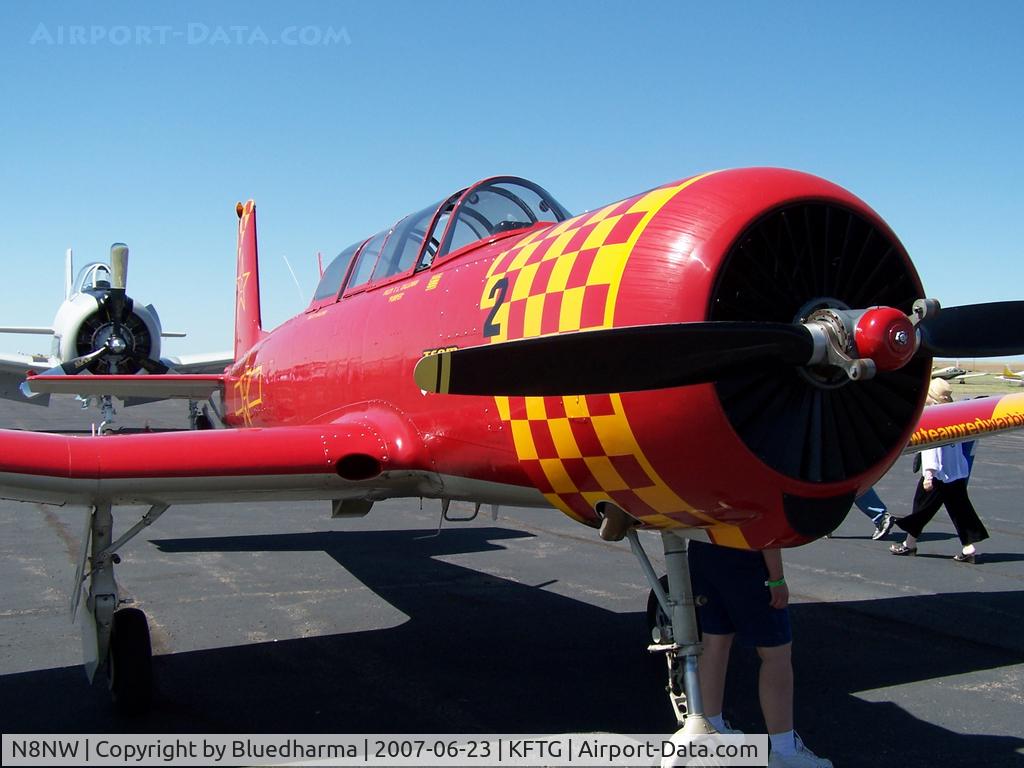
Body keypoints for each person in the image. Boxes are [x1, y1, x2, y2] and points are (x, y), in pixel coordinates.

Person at [688, 540, 832, 767]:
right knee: (776, 653)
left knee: (715, 639)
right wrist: (776, 577)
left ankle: (711, 729)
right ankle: (785, 752)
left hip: (703, 548)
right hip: (747, 555)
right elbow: (765, 526)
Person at [890, 378, 989, 563]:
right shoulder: (953, 416)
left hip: (938, 475)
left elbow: (932, 449)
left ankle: (910, 544)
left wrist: (928, 474)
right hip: (956, 472)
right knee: (960, 510)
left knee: (921, 507)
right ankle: (968, 548)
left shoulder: (931, 416)